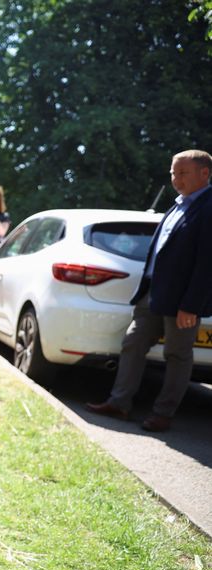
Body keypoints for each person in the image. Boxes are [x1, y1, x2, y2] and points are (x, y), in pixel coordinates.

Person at [87, 150, 212, 432]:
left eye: (183, 173)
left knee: (177, 355)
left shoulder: (208, 207)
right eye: (173, 173)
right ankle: (119, 403)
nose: (176, 179)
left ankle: (163, 413)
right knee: (133, 343)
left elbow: (207, 263)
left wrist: (191, 305)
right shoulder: (178, 205)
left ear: (204, 173)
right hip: (153, 293)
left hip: (181, 301)